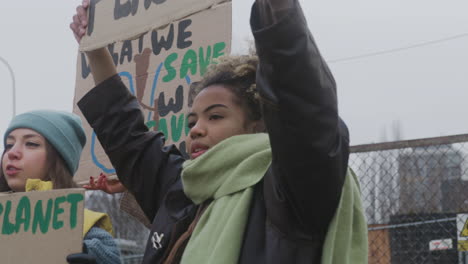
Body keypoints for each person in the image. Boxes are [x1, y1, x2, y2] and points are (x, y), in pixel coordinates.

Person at [70, 0, 368, 263]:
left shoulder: (288, 191)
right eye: (192, 122)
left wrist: (277, 10)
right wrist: (95, 48)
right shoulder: (183, 190)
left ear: (259, 124)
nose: (197, 130)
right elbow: (127, 134)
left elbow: (301, 103)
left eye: (215, 117)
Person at [0, 110, 121, 264]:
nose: (12, 153)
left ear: (58, 159)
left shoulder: (87, 227)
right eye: (9, 145)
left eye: (31, 143)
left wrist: (92, 256)